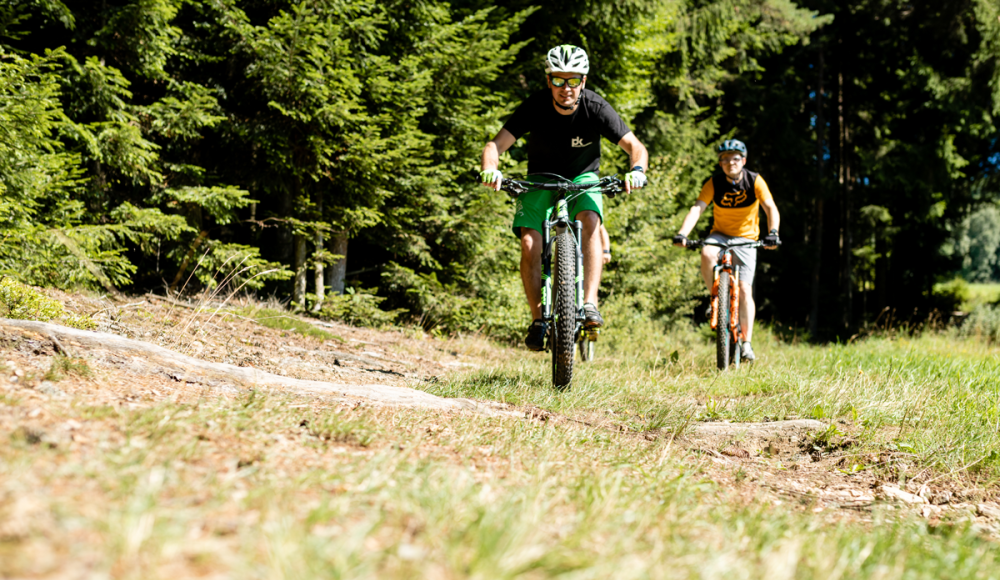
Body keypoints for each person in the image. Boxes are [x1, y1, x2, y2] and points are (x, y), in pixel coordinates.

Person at [479, 45, 649, 351]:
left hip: (583, 177)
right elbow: (495, 146)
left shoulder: (595, 107)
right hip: (540, 178)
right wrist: (491, 169)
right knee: (530, 243)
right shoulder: (535, 106)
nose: (565, 88)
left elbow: (635, 146)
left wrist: (636, 170)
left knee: (590, 220)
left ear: (583, 81)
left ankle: (590, 303)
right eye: (558, 80)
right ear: (548, 81)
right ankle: (538, 320)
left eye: (572, 80)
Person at [672, 139, 781, 362]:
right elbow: (697, 208)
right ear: (720, 163)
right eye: (725, 159)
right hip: (720, 235)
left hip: (747, 238)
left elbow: (770, 207)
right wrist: (683, 233)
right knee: (706, 253)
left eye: (735, 158)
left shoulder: (754, 180)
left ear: (744, 161)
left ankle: (747, 343)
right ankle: (715, 299)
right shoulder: (714, 183)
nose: (730, 162)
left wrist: (774, 232)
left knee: (744, 290)